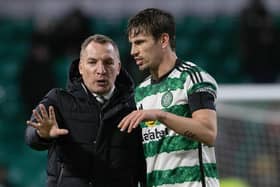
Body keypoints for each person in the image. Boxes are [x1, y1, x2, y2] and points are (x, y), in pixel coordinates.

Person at [25, 34, 146, 187]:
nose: (101, 70)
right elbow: (31, 135)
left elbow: (143, 167)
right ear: (81, 67)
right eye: (92, 62)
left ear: (118, 68)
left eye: (108, 62)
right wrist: (41, 134)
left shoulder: (136, 108)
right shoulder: (58, 100)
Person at [118, 8, 220, 187]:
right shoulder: (140, 92)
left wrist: (160, 115)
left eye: (140, 42)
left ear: (164, 40)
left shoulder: (191, 78)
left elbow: (208, 133)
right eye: (132, 44)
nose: (133, 51)